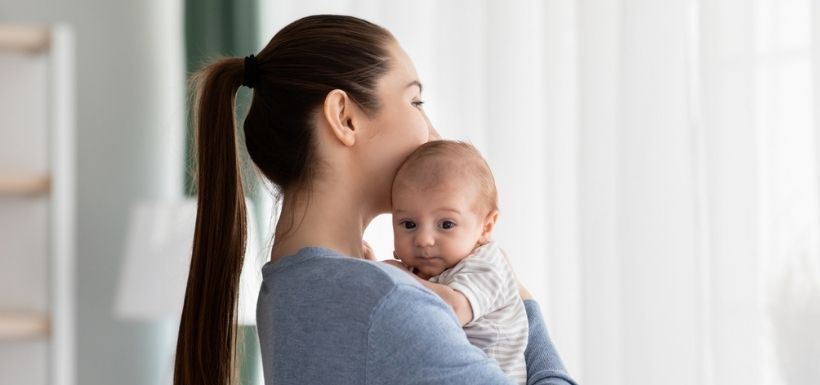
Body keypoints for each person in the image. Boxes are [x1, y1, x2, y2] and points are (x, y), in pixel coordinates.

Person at [173, 14, 576, 385]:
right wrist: (515, 295)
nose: (434, 135)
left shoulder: (289, 287)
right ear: (344, 118)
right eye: (416, 102)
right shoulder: (386, 300)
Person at [384, 140, 528, 385]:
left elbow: (450, 310)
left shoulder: (487, 265)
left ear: (486, 227)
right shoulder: (421, 270)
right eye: (409, 224)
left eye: (446, 224)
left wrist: (395, 275)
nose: (424, 240)